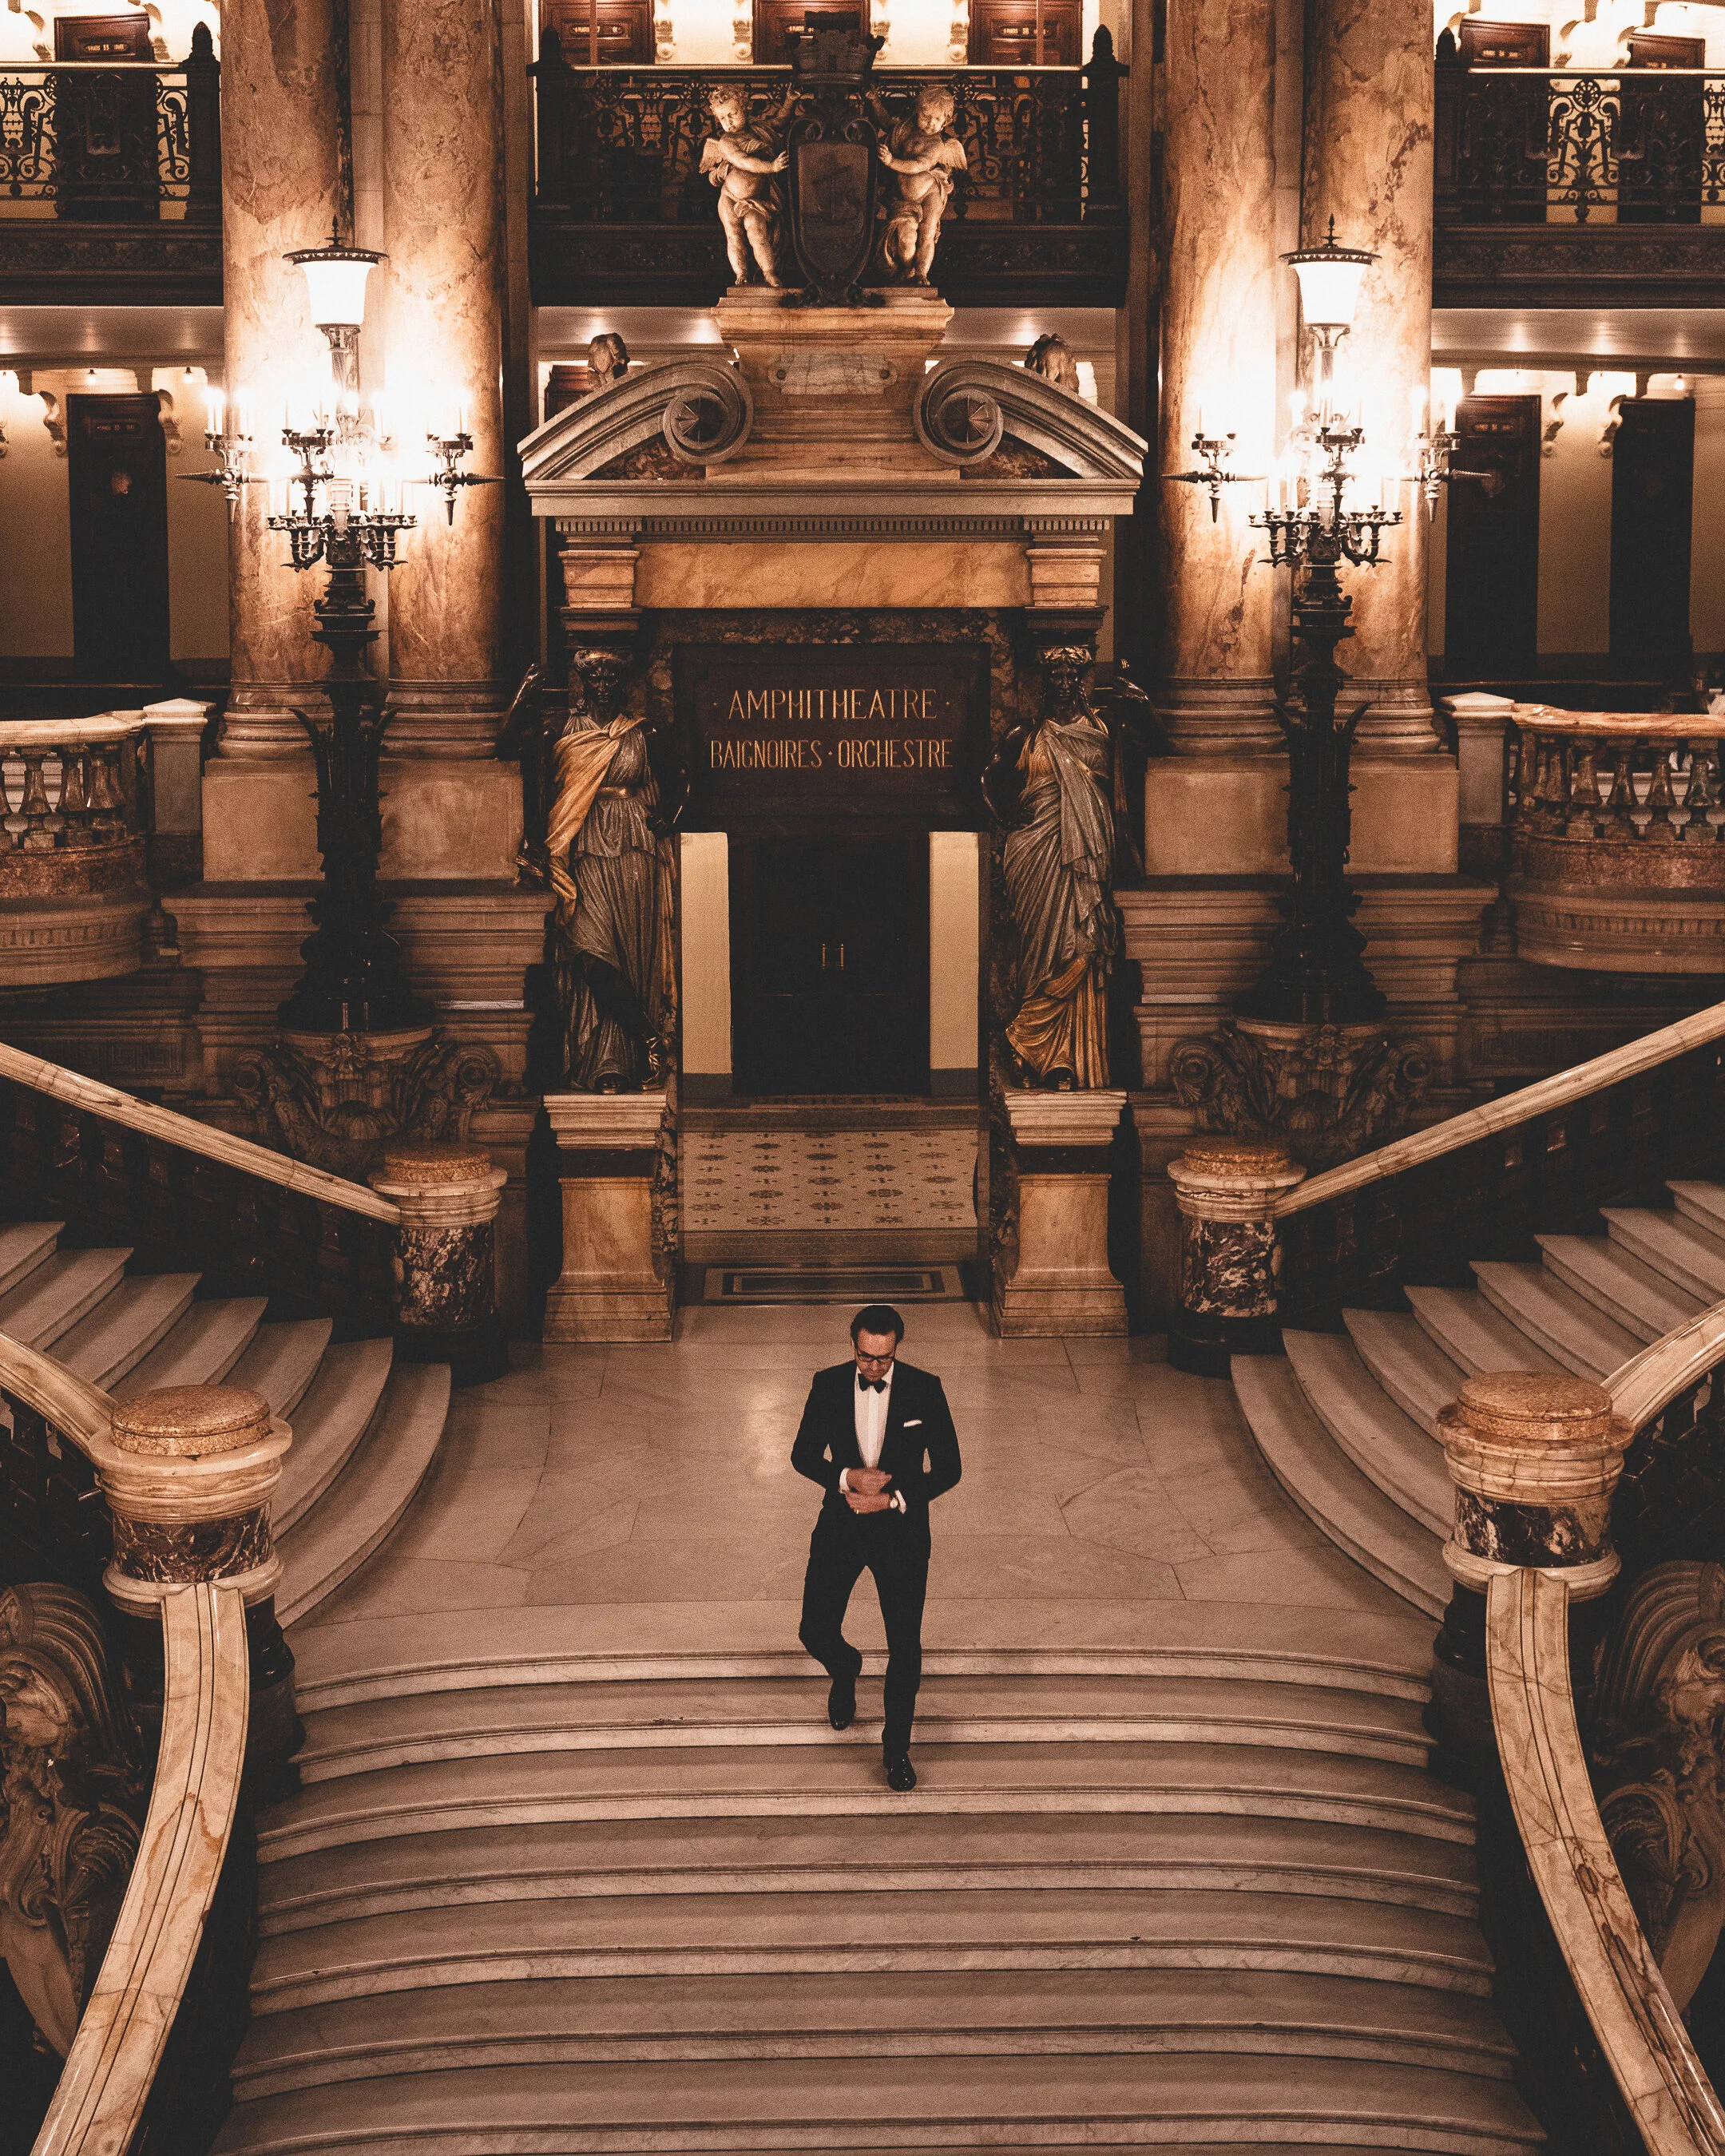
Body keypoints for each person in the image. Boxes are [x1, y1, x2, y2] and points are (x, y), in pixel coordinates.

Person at [791, 1304, 962, 1792]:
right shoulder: (826, 1384)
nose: (874, 1368)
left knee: (905, 1646)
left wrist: (892, 1498)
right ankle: (845, 1668)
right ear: (854, 1346)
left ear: (896, 1349)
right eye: (866, 1358)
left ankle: (896, 1752)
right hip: (841, 1525)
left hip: (902, 1533)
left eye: (883, 1360)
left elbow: (949, 1468)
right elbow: (802, 1454)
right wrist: (846, 1478)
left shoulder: (926, 1389)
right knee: (814, 1628)